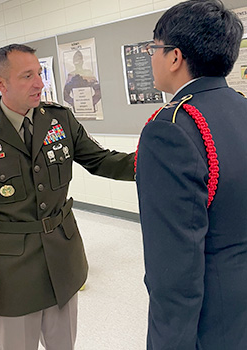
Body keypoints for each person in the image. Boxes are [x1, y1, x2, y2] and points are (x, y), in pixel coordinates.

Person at [0, 43, 135, 350]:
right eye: (27, 76)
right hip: (12, 279)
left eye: (40, 73)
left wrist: (155, 163)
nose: (40, 83)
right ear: (1, 84)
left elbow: (102, 160)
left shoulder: (59, 119)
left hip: (63, 263)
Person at [135, 1, 247, 349]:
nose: (151, 57)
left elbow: (174, 269)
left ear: (174, 57)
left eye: (153, 48)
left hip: (214, 316)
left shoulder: (172, 129)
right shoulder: (241, 108)